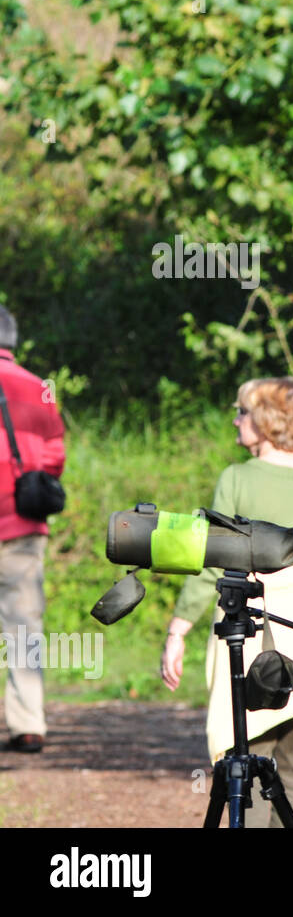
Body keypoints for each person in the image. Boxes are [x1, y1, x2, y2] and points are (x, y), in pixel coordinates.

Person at [160, 377, 293, 827]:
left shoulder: (235, 479)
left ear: (267, 420)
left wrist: (178, 629)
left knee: (244, 781)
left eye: (242, 411)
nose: (235, 420)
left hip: (250, 642)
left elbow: (211, 563)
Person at [0, 307, 65, 753]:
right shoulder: (39, 387)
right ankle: (28, 723)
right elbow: (55, 456)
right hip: (22, 523)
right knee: (24, 626)